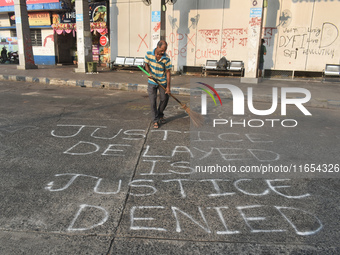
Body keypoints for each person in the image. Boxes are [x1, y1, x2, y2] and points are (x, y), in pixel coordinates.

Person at [144, 40, 172, 129]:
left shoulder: (166, 58)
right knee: (153, 101)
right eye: (162, 50)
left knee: (164, 99)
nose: (163, 52)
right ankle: (155, 120)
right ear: (157, 47)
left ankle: (160, 114)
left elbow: (168, 72)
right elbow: (146, 64)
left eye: (165, 50)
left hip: (162, 82)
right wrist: (149, 73)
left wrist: (168, 87)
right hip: (152, 82)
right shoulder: (149, 54)